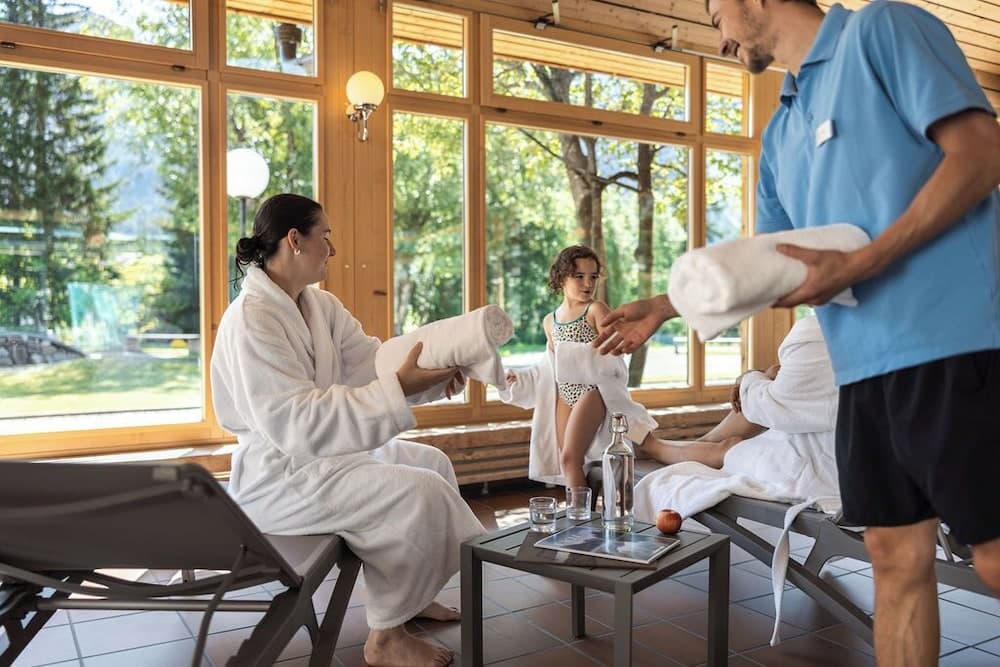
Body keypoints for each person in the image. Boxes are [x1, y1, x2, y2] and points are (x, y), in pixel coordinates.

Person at [596, 1, 1000, 664]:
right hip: (861, 369)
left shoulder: (880, 31)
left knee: (993, 558)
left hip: (954, 342)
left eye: (716, 16)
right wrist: (667, 305)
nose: (719, 39)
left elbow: (981, 153)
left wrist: (865, 262)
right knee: (893, 556)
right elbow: (771, 265)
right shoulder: (781, 133)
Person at [210, 193, 485, 667]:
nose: (332, 249)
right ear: (295, 240)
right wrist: (400, 387)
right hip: (280, 476)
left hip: (321, 458)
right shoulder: (252, 318)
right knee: (418, 493)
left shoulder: (320, 305)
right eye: (326, 236)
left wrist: (432, 376)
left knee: (432, 462)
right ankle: (385, 637)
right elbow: (294, 420)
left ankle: (412, 598)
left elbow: (371, 362)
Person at [510, 245, 612, 490]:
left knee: (569, 457)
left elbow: (615, 354)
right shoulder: (550, 321)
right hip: (565, 396)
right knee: (568, 462)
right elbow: (548, 365)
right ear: (561, 277)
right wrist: (519, 377)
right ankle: (580, 510)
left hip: (592, 392)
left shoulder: (595, 310)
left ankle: (580, 512)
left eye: (593, 277)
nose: (588, 283)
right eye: (579, 276)